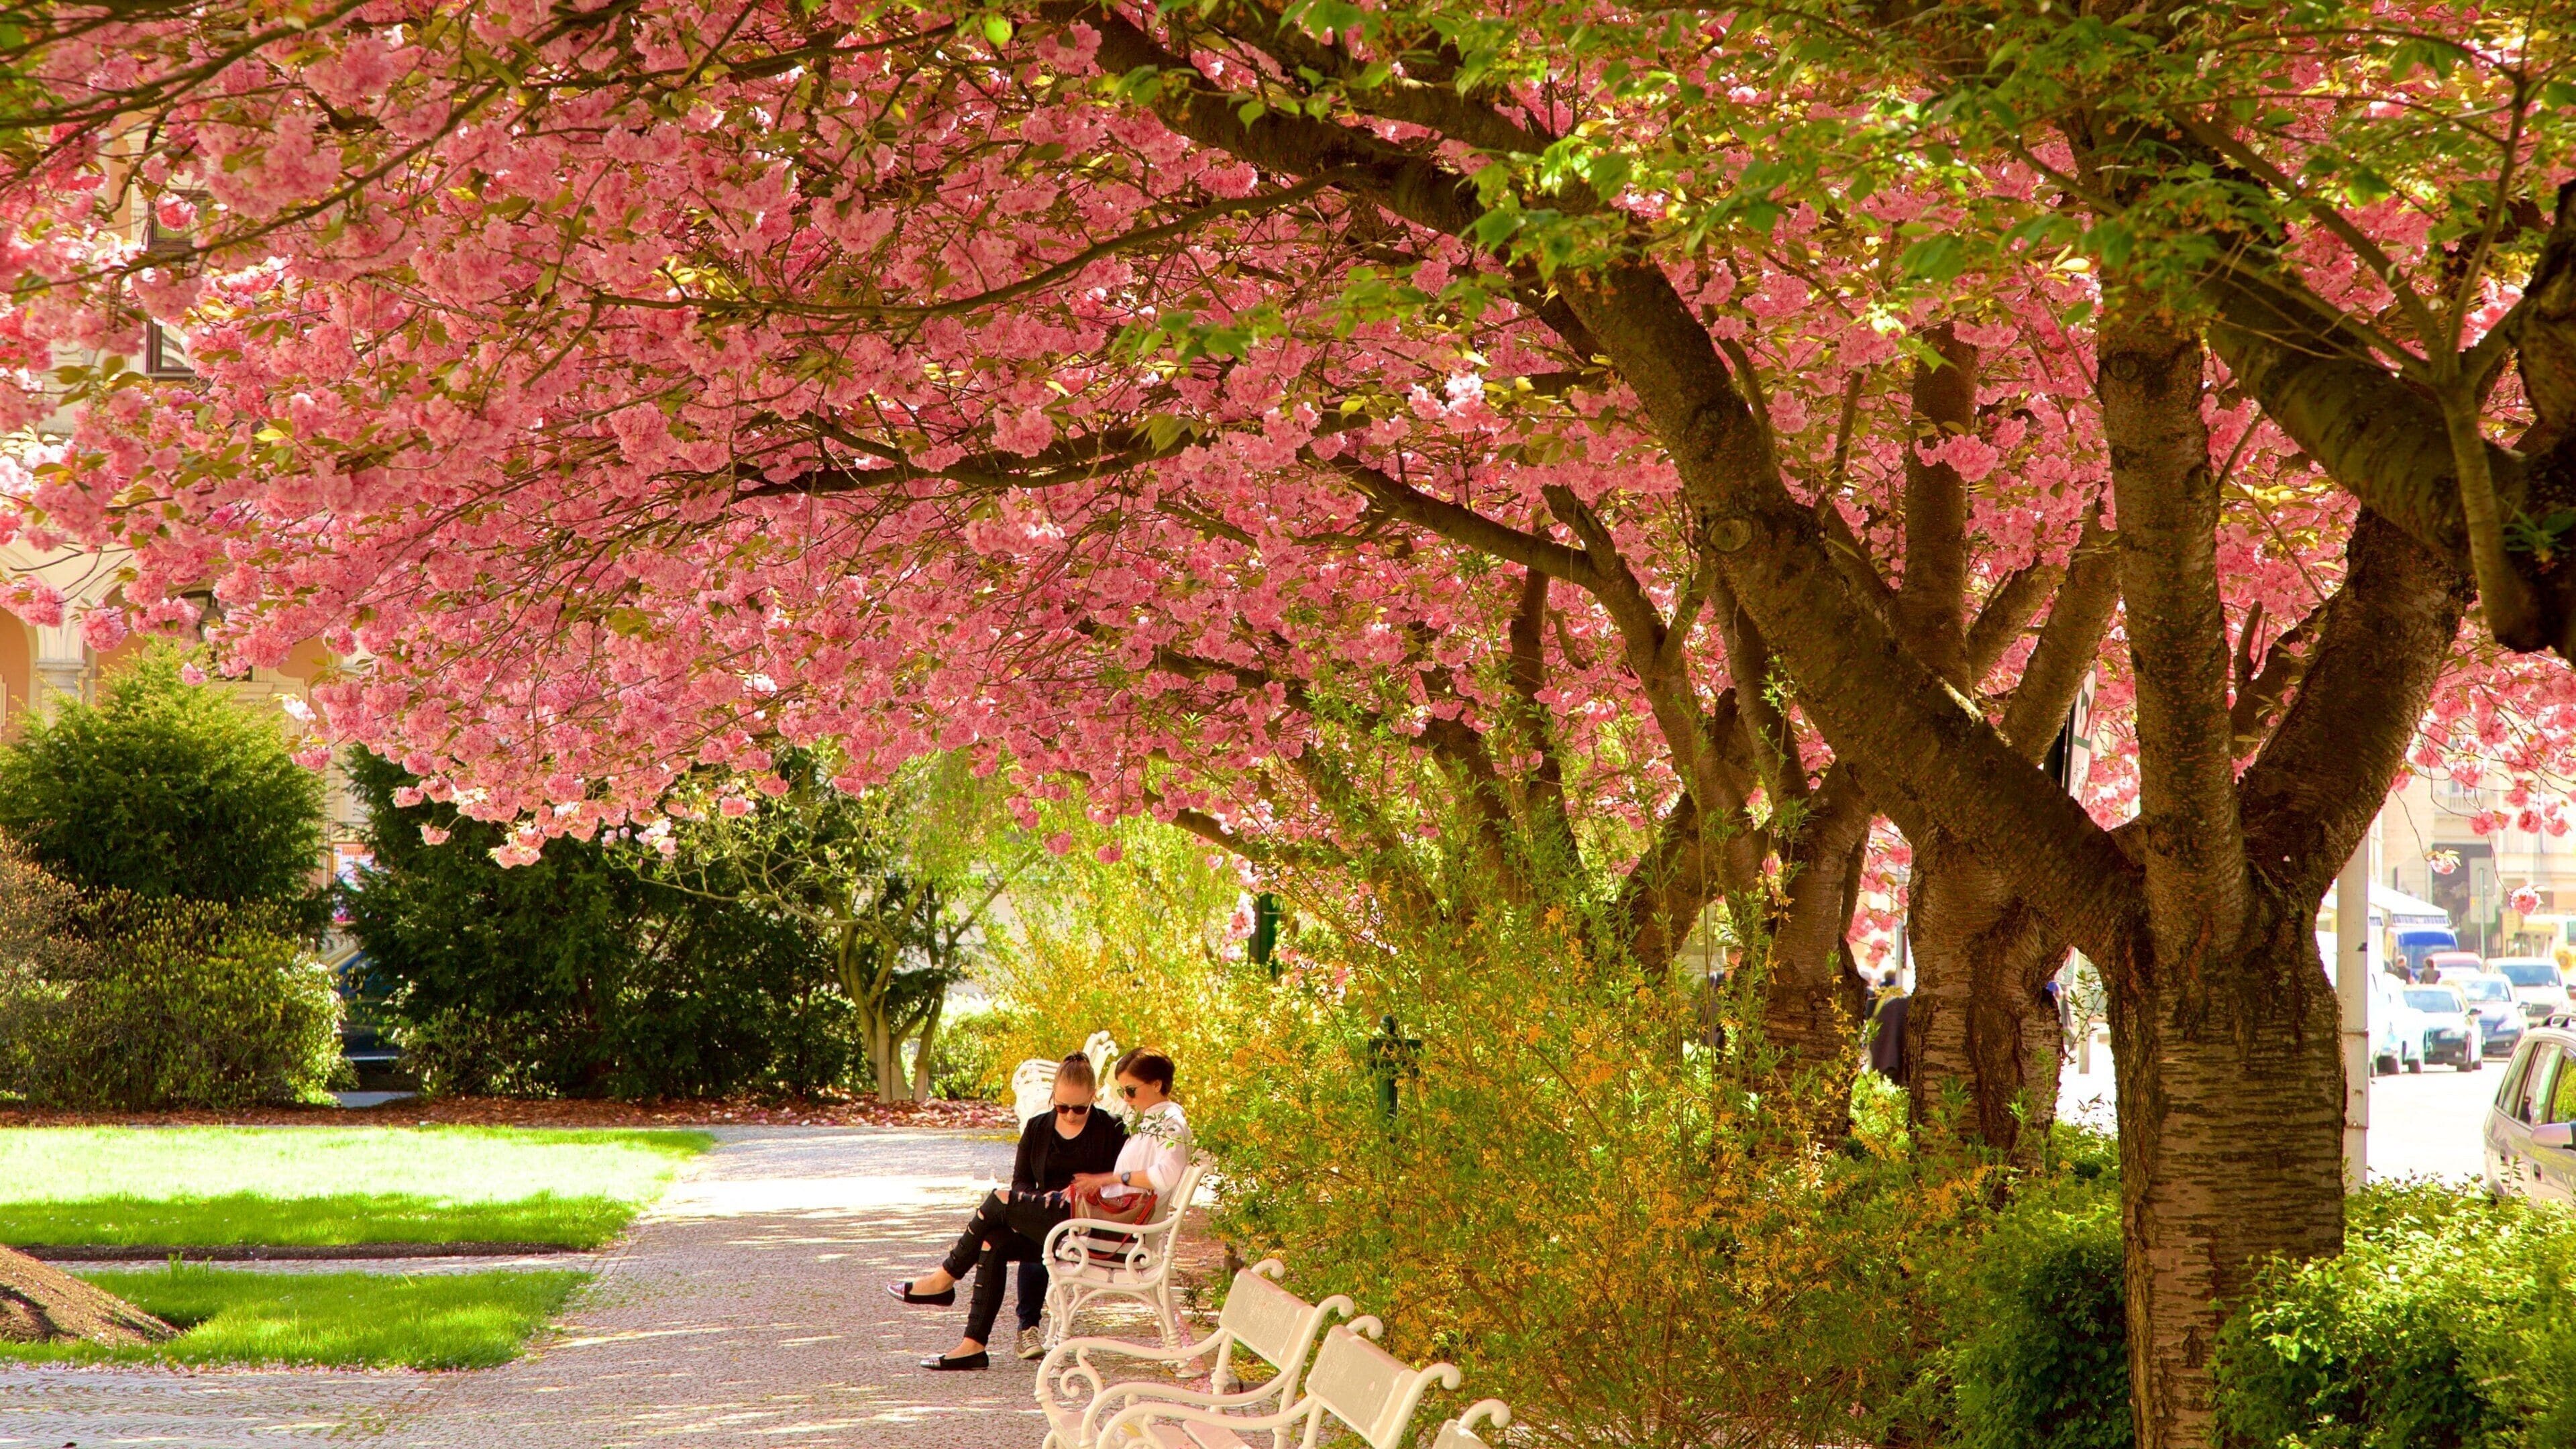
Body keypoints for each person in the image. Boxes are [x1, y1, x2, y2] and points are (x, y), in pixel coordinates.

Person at [887, 1052, 1124, 1369]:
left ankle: (944, 1280)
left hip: (1085, 1227)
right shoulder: (1038, 1127)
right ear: (1053, 1097)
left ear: (1093, 1097)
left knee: (998, 1200)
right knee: (995, 1241)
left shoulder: (1111, 1128)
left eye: (1079, 1108)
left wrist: (1090, 1187)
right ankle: (973, 1346)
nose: (1070, 1115)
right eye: (1062, 1107)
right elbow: (1021, 1182)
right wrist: (1040, 1200)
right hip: (1048, 1220)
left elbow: (1122, 1185)